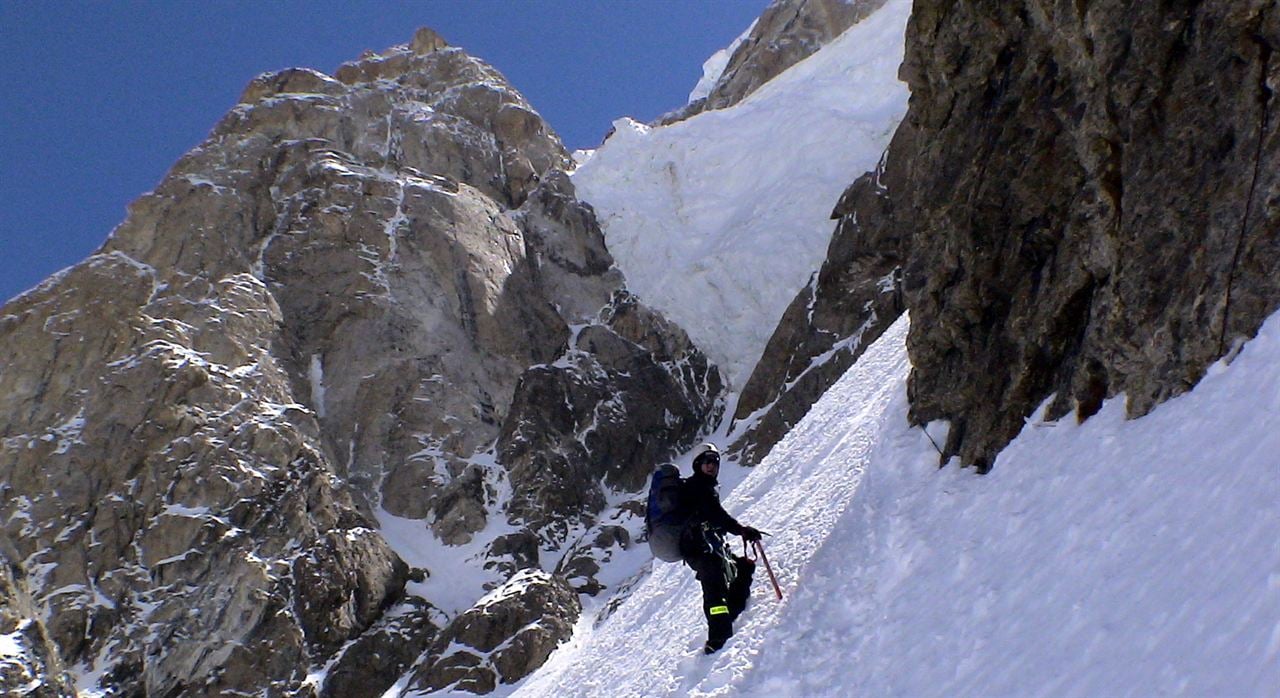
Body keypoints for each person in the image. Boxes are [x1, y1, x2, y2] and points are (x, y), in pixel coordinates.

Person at [678, 443, 763, 654]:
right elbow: (717, 516)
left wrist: (738, 530)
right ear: (698, 465)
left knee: (742, 569)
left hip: (705, 546)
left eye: (715, 462)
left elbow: (714, 516)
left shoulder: (703, 487)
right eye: (707, 462)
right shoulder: (698, 487)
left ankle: (728, 618)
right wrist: (741, 530)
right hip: (700, 549)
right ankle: (717, 639)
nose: (711, 466)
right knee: (715, 591)